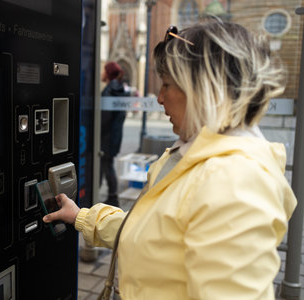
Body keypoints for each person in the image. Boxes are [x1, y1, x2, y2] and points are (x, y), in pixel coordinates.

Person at [44, 19, 297, 299]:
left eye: (167, 85)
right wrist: (81, 216)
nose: (160, 98)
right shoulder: (191, 153)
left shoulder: (235, 181)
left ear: (204, 89)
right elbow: (153, 232)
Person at [100, 61, 130, 207]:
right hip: (115, 136)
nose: (101, 73)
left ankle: (113, 196)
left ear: (108, 73)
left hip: (106, 137)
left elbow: (104, 119)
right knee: (106, 164)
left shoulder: (108, 91)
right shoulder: (120, 90)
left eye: (104, 70)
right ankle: (110, 194)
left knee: (107, 165)